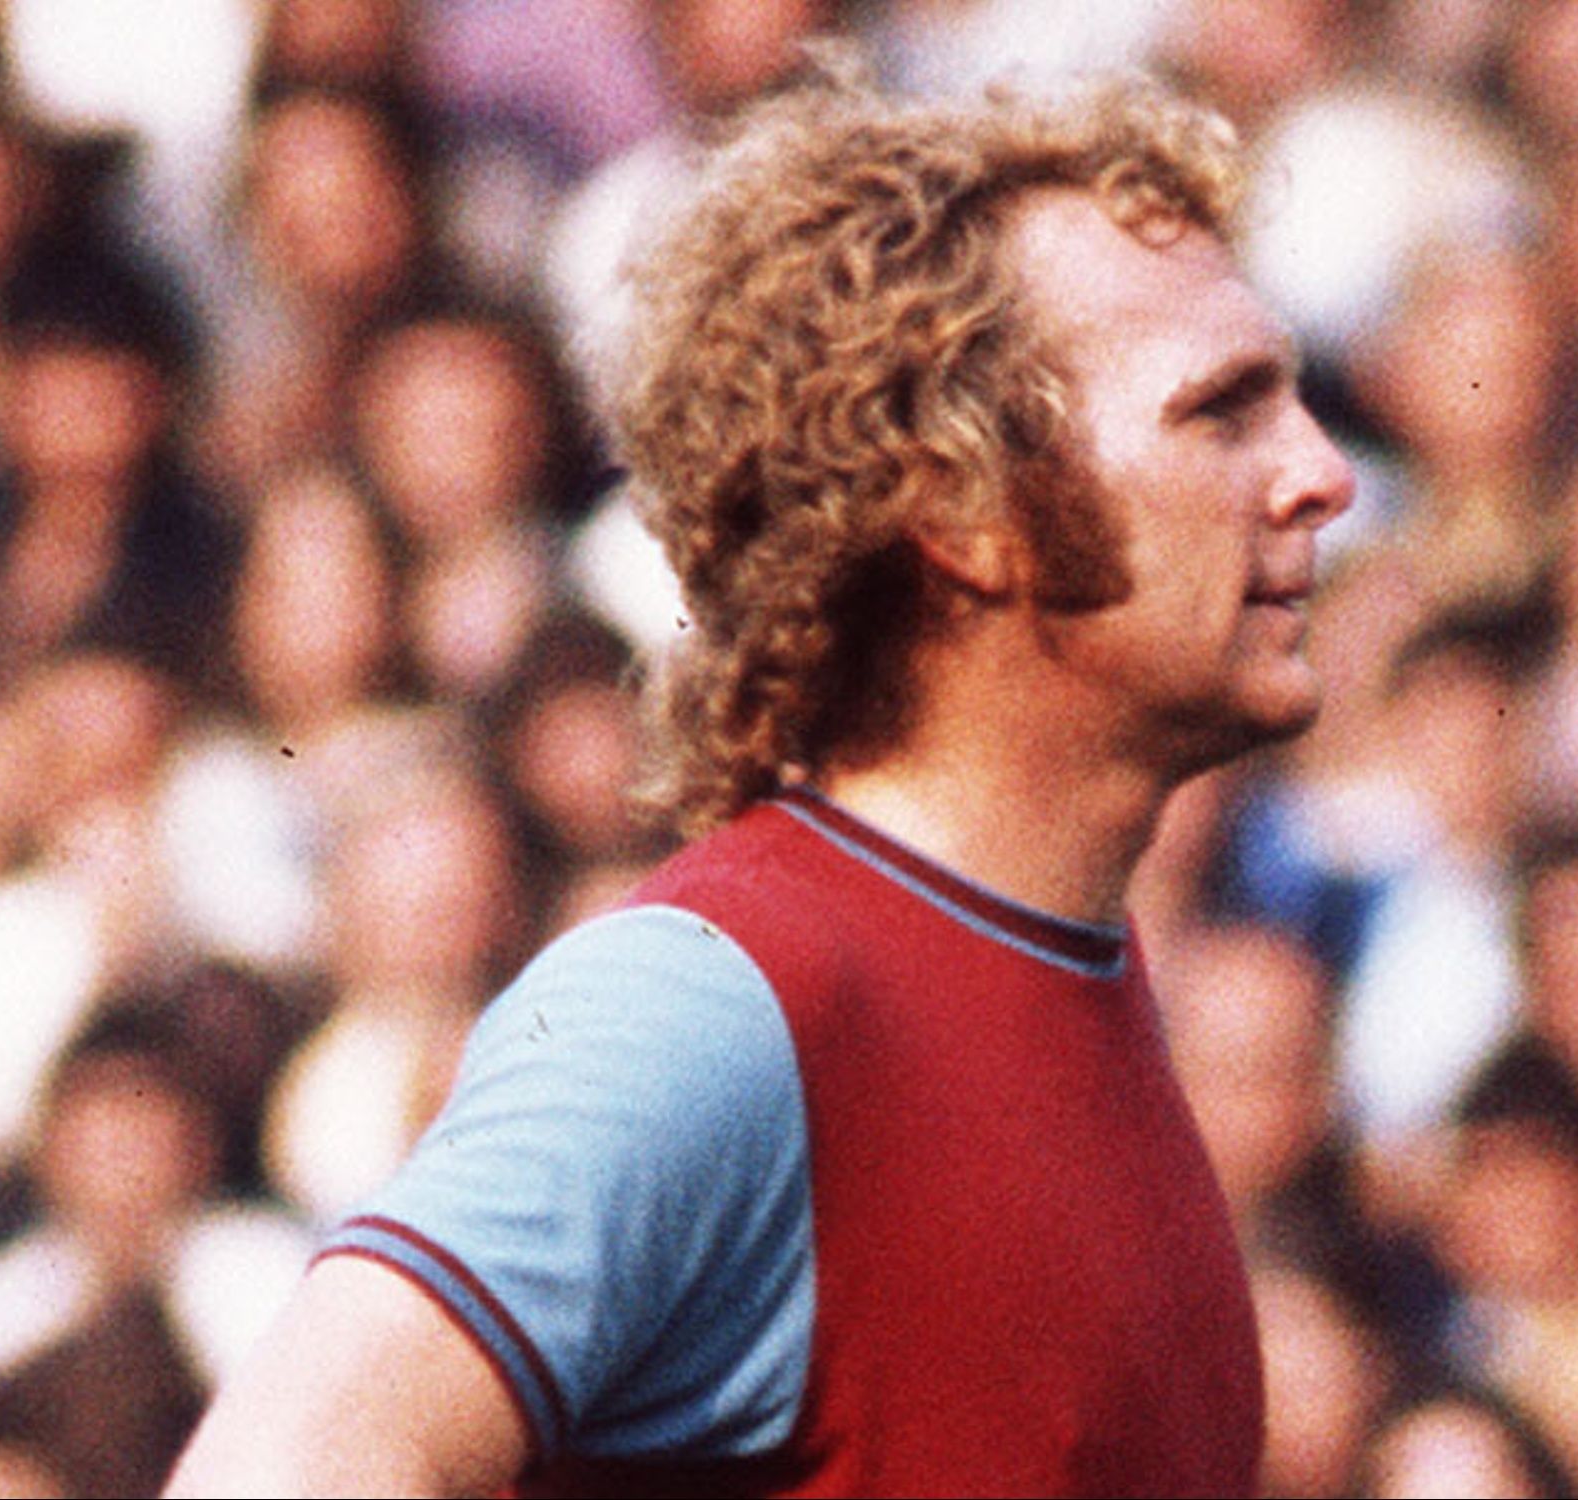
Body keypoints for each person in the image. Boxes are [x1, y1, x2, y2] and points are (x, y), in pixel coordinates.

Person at [166, 58, 1354, 1498]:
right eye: (1221, 410)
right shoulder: (717, 1002)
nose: (1320, 472)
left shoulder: (1090, 981)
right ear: (965, 508)